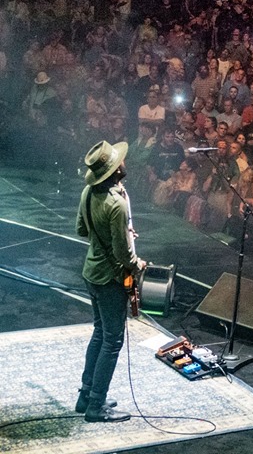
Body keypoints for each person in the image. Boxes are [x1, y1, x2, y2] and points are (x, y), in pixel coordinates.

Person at [76, 140, 146, 422]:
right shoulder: (115, 203)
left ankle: (86, 394)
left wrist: (108, 233)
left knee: (99, 333)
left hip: (91, 272)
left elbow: (81, 229)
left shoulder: (88, 192)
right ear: (116, 169)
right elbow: (122, 252)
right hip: (109, 279)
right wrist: (136, 263)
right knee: (112, 340)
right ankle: (96, 405)